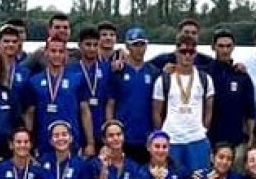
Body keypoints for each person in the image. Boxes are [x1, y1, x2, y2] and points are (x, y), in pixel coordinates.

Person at [152, 34, 214, 173]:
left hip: (197, 140)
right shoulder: (164, 80)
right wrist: (161, 136)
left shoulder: (205, 79)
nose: (187, 55)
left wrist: (203, 129)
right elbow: (156, 112)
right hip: (172, 139)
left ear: (195, 54)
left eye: (191, 52)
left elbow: (209, 109)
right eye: (183, 51)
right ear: (176, 52)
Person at [106, 27, 159, 164]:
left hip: (146, 137)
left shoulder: (153, 71)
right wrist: (110, 130)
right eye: (135, 45)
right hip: (123, 137)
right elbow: (110, 104)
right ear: (128, 46)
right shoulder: (118, 71)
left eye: (142, 44)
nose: (139, 49)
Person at [205, 28, 256, 167]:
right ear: (213, 47)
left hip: (237, 143)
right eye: (221, 46)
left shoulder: (242, 76)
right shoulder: (204, 74)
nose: (225, 50)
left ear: (233, 47)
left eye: (228, 46)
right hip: (210, 142)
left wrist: (251, 139)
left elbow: (250, 111)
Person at [25, 37, 84, 154]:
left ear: (66, 54)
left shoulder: (77, 78)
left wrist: (90, 142)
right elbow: (30, 114)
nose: (57, 55)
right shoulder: (34, 81)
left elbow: (84, 110)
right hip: (44, 141)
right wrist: (29, 140)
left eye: (61, 51)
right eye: (53, 51)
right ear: (46, 53)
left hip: (71, 139)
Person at [76, 27, 111, 155]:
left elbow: (110, 103)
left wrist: (109, 134)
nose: (92, 48)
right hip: (78, 132)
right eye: (88, 44)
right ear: (80, 45)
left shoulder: (107, 69)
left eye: (95, 45)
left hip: (101, 131)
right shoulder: (72, 70)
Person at [148, 19, 212, 69]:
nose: (190, 36)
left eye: (194, 33)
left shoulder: (207, 62)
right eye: (186, 32)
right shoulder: (161, 60)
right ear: (178, 34)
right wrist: (162, 73)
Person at [0, 24, 30, 100]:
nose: (11, 44)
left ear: (18, 44)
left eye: (14, 42)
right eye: (6, 41)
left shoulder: (25, 72)